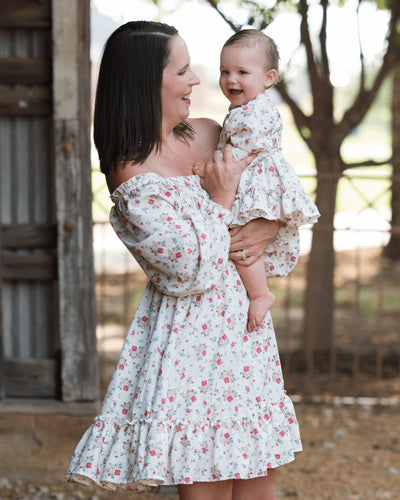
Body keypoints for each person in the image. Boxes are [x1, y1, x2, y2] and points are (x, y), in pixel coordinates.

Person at [67, 21, 302, 500]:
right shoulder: (132, 175)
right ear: (146, 82)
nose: (197, 80)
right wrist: (221, 199)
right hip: (189, 345)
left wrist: (270, 223)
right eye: (182, 69)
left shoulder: (211, 133)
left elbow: (269, 184)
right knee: (205, 478)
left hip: (242, 331)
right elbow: (185, 270)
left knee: (259, 472)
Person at [214, 30, 320, 332]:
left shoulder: (254, 112)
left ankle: (260, 295)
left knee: (242, 242)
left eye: (242, 72)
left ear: (268, 77)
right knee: (242, 242)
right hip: (256, 181)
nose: (231, 79)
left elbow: (239, 153)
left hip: (258, 185)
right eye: (225, 71)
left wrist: (210, 166)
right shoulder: (245, 109)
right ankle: (259, 293)